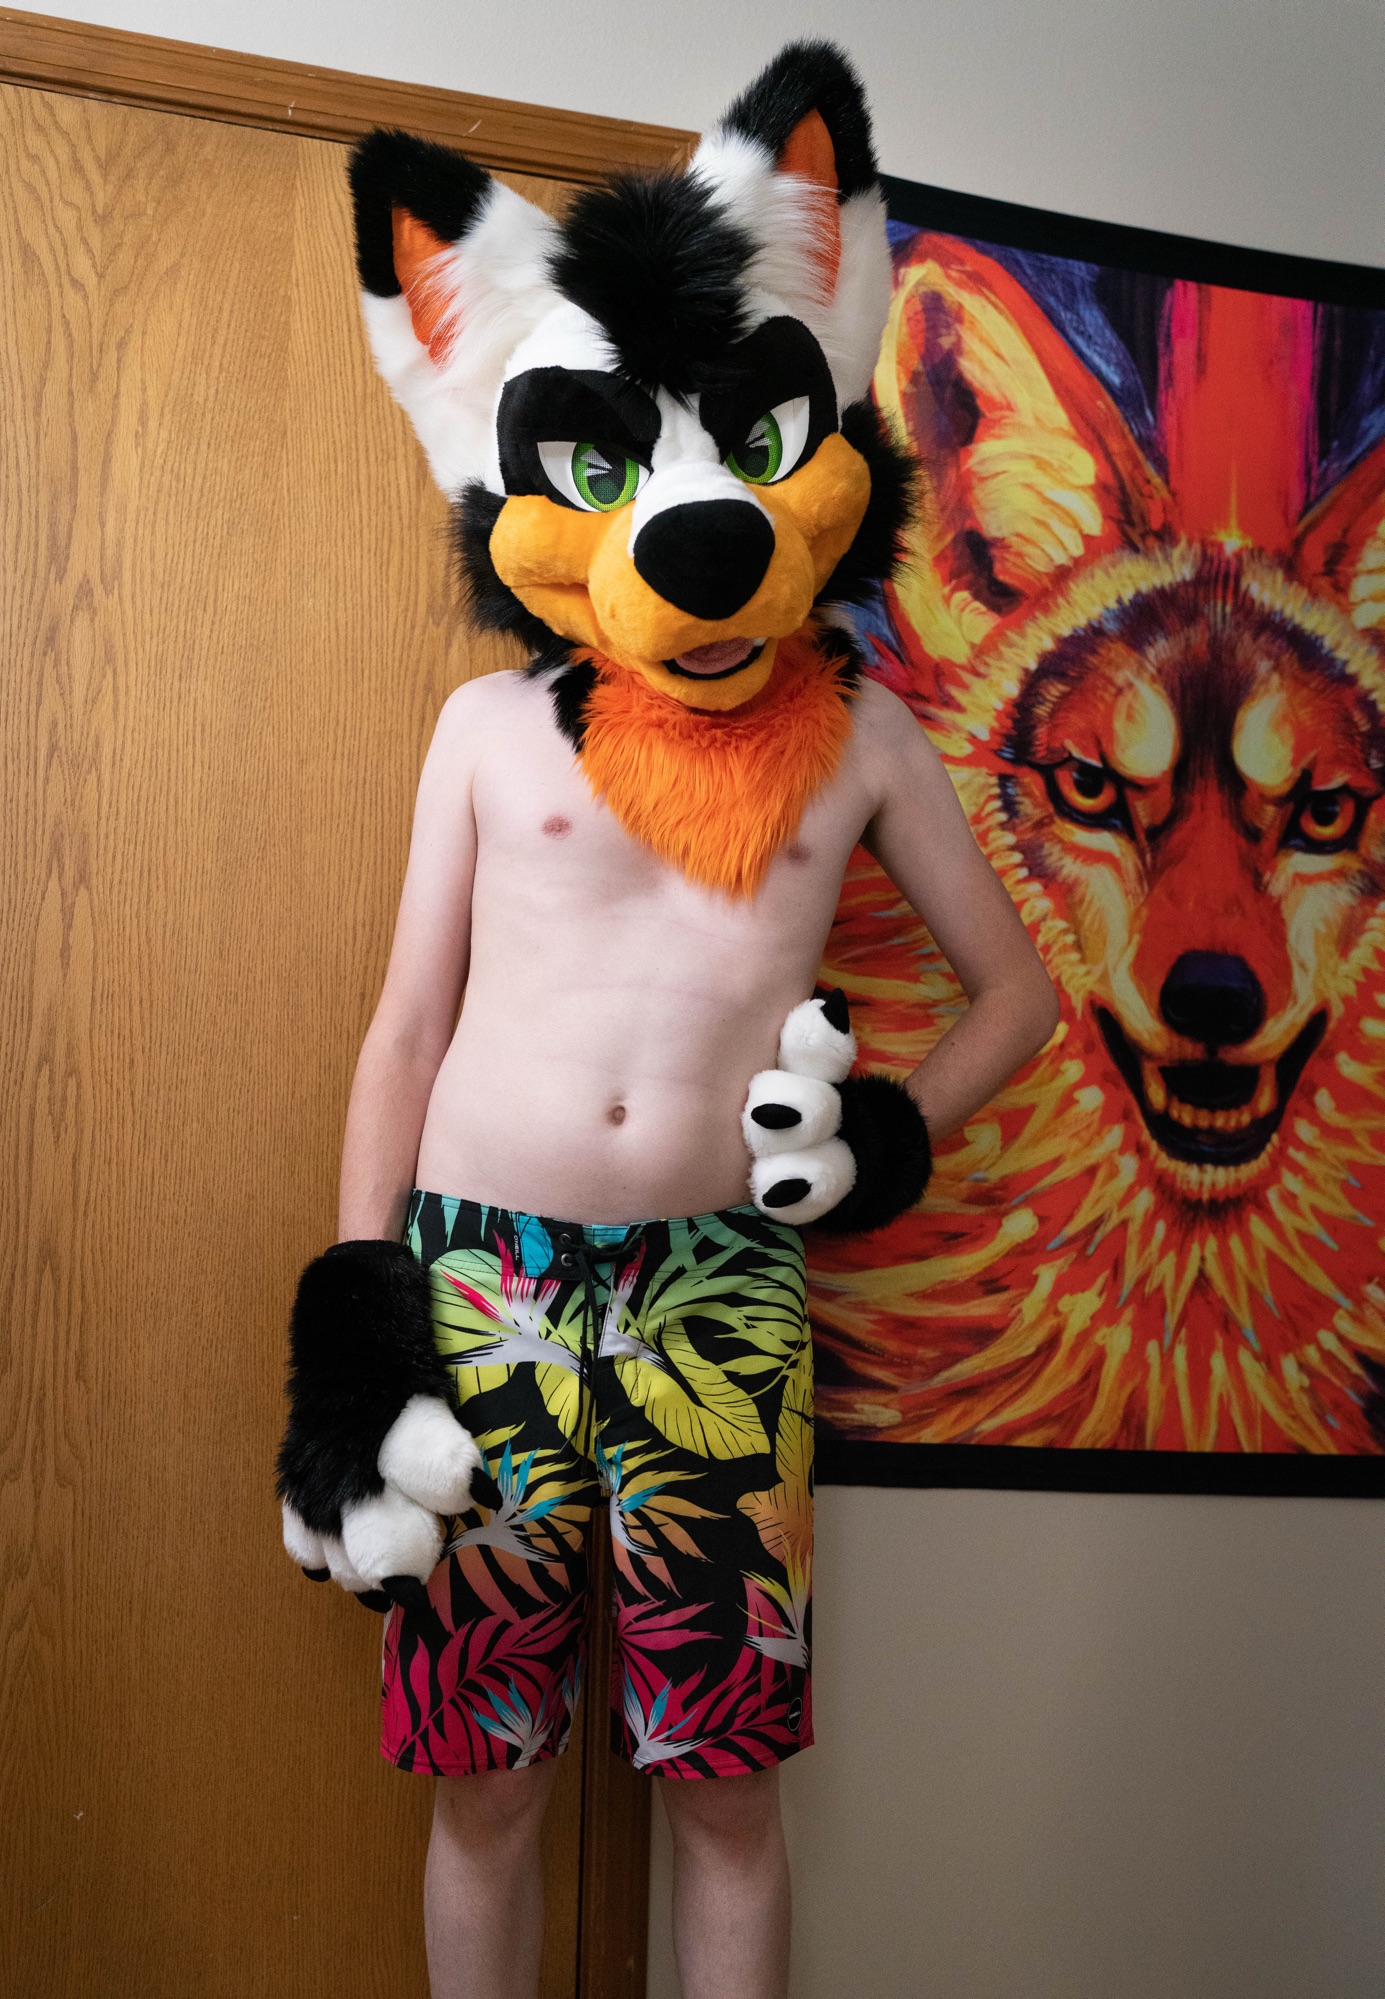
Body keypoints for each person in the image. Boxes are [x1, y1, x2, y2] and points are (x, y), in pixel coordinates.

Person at [279, 40, 1059, 1999]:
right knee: (486, 1780)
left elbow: (1021, 993)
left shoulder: (863, 735)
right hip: (480, 1290)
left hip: (726, 1293)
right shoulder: (484, 729)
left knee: (725, 1789)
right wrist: (360, 1313)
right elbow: (403, 1031)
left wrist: (893, 1133)